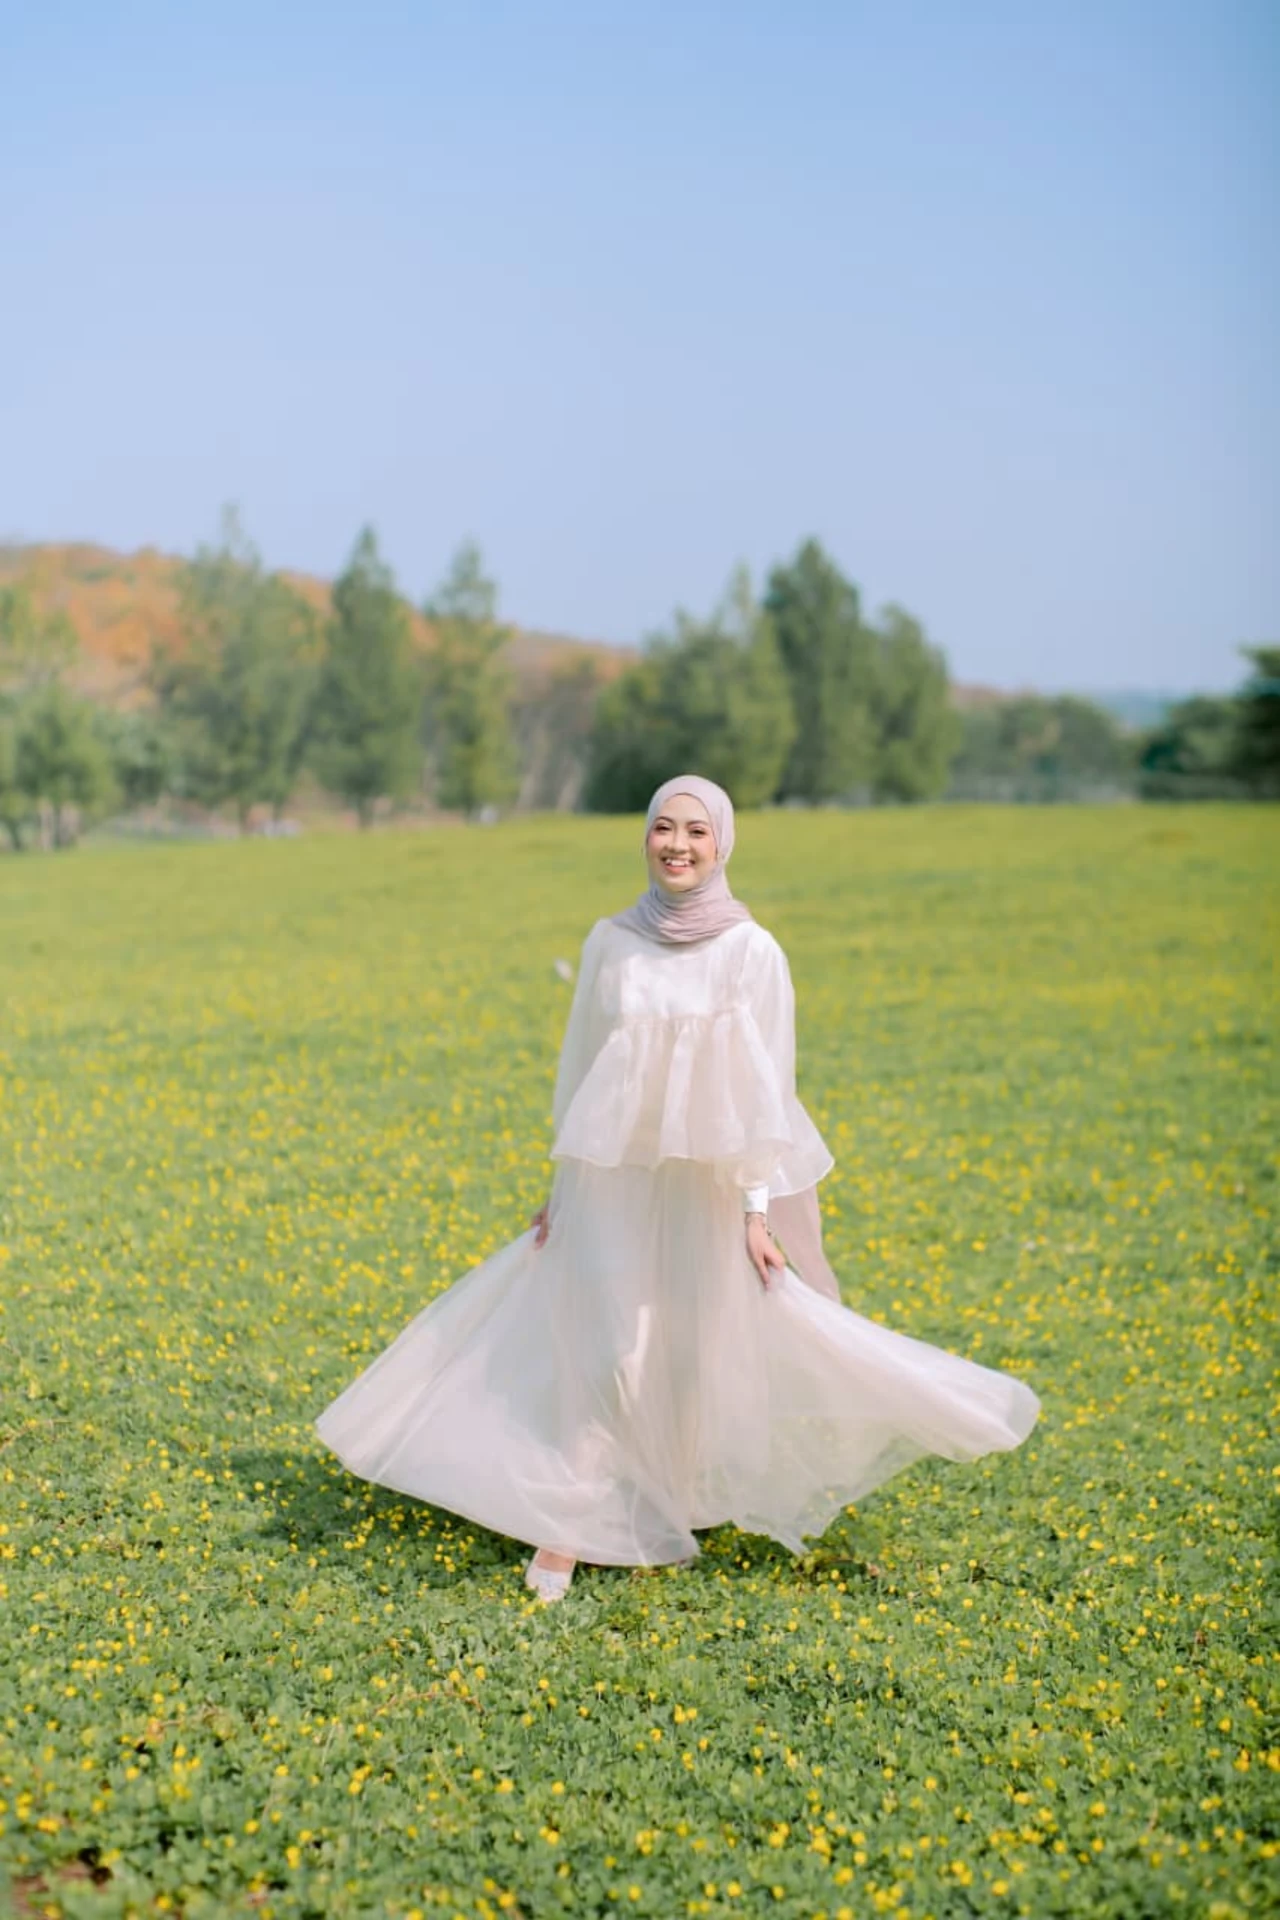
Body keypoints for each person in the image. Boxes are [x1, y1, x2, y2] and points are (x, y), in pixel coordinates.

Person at [314, 775, 1040, 1602]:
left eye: (697, 830)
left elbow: (770, 1095)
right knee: (615, 1349)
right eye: (664, 827)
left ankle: (673, 1497)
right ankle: (568, 1527)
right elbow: (580, 1071)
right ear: (645, 838)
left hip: (708, 1181)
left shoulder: (752, 952)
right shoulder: (610, 942)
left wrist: (756, 1210)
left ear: (722, 843)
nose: (678, 845)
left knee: (693, 1346)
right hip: (614, 1178)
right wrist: (562, 1187)